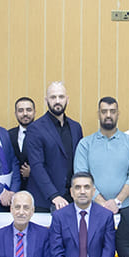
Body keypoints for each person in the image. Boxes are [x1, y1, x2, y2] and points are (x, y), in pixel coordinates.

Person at [72, 96, 129, 214]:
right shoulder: (85, 144)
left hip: (125, 208)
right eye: (104, 111)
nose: (108, 115)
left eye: (112, 111)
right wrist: (103, 203)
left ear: (118, 114)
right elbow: (81, 177)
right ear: (98, 114)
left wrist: (117, 202)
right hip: (93, 208)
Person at [25, 81, 85, 210]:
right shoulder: (35, 129)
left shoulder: (76, 127)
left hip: (71, 199)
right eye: (53, 97)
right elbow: (37, 166)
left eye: (61, 97)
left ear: (67, 99)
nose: (57, 101)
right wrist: (54, 195)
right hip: (45, 200)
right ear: (46, 100)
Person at [10, 96, 37, 188]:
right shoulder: (8, 135)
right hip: (14, 188)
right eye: (20, 110)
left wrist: (33, 172)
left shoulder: (44, 134)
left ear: (34, 112)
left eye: (29, 110)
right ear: (15, 113)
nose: (25, 114)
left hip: (37, 187)